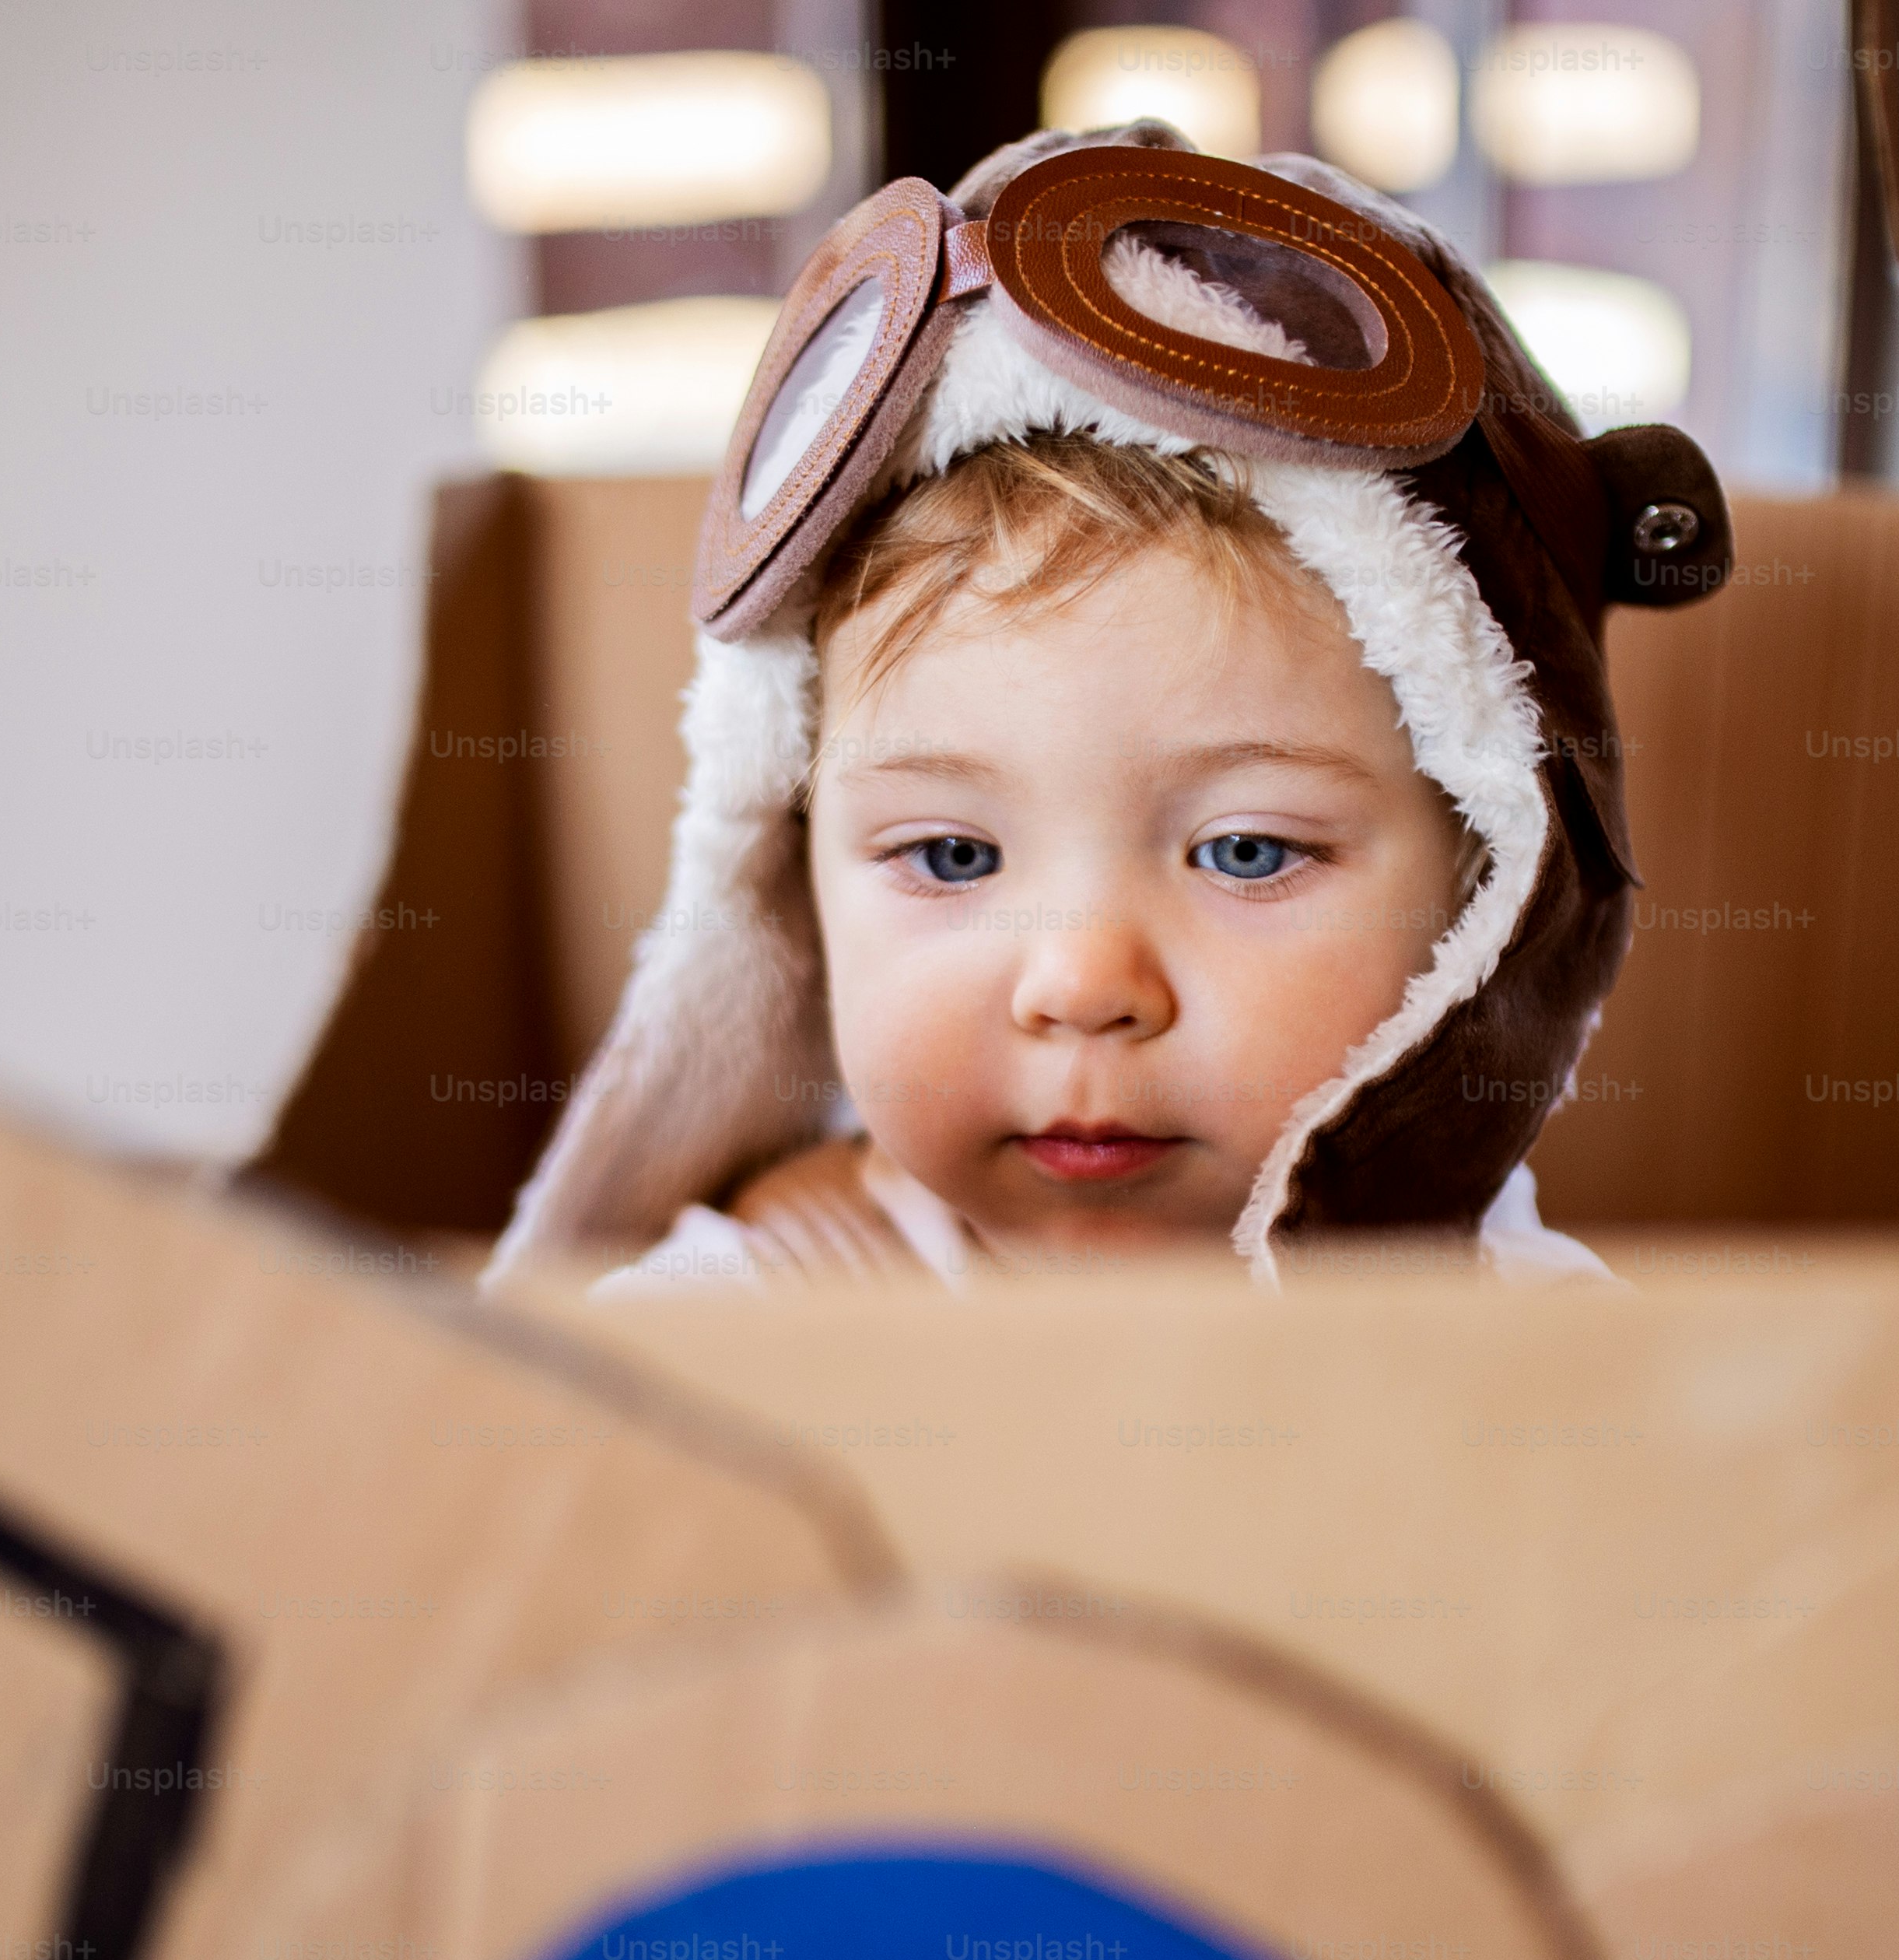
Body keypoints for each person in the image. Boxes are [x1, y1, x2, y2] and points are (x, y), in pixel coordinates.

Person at [481, 123, 1732, 1292]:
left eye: (1245, 852)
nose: (1082, 983)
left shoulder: (1538, 1359)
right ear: (790, 887)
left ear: (1487, 912)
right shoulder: (741, 1322)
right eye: (953, 853)